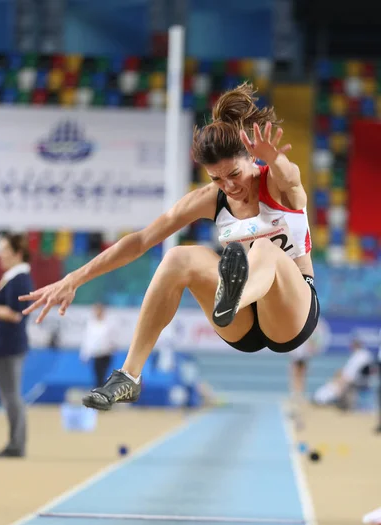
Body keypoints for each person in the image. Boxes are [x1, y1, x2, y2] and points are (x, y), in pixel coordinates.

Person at [19, 82, 319, 410]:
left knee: (264, 250)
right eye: (217, 179)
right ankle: (129, 376)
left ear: (250, 158)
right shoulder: (210, 199)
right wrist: (74, 278)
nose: (229, 186)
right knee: (178, 257)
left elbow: (291, 179)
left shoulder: (275, 183)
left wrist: (274, 158)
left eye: (234, 173)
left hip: (291, 313)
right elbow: (140, 241)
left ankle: (232, 298)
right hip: (242, 327)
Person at [0, 233, 33, 457]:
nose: (0, 255)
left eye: (5, 251)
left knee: (11, 395)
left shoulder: (19, 278)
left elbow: (15, 314)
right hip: (3, 344)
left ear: (17, 254)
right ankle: (15, 441)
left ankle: (16, 444)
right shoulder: (13, 277)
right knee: (9, 395)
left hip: (9, 346)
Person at [312, 337, 374, 410]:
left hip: (356, 380)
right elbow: (347, 371)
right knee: (333, 383)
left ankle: (321, 399)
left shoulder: (361, 356)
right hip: (352, 379)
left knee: (334, 386)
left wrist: (342, 380)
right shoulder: (359, 355)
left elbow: (354, 373)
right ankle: (320, 398)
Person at [80, 303, 117, 387]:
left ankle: (102, 394)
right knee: (98, 376)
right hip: (96, 354)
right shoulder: (91, 324)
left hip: (106, 354)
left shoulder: (109, 323)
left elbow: (113, 338)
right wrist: (84, 355)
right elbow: (87, 340)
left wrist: (113, 347)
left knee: (104, 375)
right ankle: (98, 394)